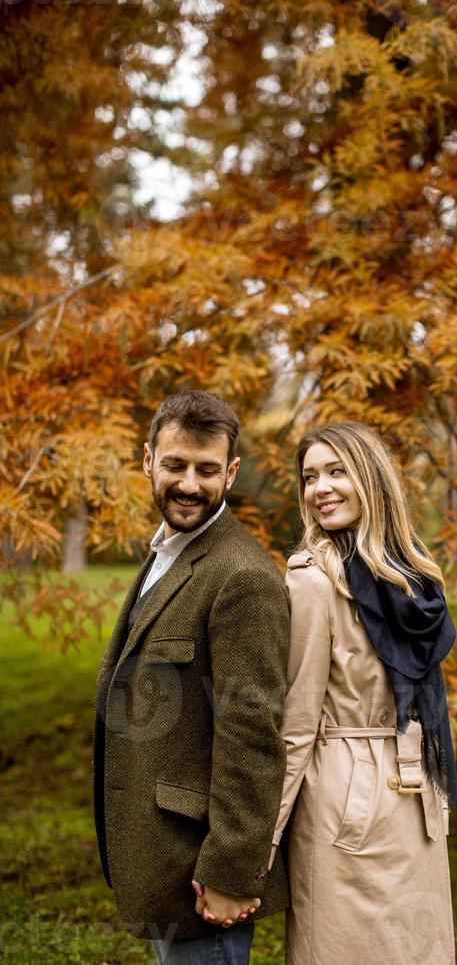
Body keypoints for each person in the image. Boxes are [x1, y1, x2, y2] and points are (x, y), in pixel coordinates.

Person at [92, 390, 290, 965]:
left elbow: (253, 731)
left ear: (230, 473)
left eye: (207, 470)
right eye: (176, 465)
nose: (189, 484)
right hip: (161, 857)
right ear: (148, 460)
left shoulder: (242, 575)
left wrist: (231, 868)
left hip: (203, 872)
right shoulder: (170, 552)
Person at [272, 421, 457, 965]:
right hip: (343, 797)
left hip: (416, 791)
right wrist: (257, 845)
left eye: (336, 471)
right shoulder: (312, 581)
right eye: (309, 477)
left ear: (372, 479)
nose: (320, 489)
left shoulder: (413, 578)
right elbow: (298, 720)